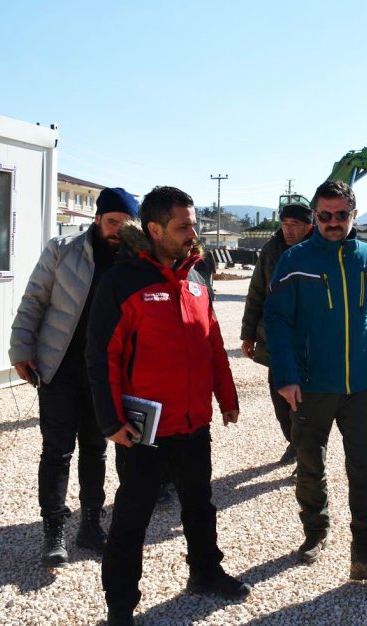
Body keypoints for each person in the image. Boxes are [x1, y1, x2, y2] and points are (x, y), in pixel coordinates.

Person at [85, 186, 249, 625]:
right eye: (183, 226)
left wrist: (227, 397)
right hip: (144, 430)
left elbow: (212, 343)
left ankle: (205, 572)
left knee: (200, 505)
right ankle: (120, 605)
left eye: (193, 224)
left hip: (193, 422)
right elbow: (101, 357)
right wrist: (111, 421)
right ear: (154, 229)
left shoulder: (197, 277)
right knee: (132, 518)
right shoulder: (121, 281)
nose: (193, 233)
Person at [265, 180, 367, 582]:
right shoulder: (294, 261)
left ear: (353, 215)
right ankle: (315, 531)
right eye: (324, 215)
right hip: (311, 385)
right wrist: (286, 376)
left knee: (366, 469)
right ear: (315, 217)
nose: (332, 222)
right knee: (310, 464)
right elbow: (277, 321)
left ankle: (366, 554)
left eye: (341, 215)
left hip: (360, 386)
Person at [9, 187, 138, 567]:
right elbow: (34, 300)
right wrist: (21, 349)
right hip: (59, 366)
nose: (118, 230)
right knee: (57, 450)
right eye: (112, 222)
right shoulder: (62, 250)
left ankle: (91, 525)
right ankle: (54, 531)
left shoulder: (136, 259)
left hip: (105, 373)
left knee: (96, 449)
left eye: (125, 224)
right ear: (97, 219)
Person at [240, 201, 313, 473]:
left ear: (309, 226)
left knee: (305, 406)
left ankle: (307, 460)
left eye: (295, 225)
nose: (288, 230)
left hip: (309, 346)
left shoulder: (319, 250)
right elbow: (256, 292)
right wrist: (248, 334)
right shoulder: (271, 250)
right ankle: (294, 443)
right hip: (276, 343)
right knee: (280, 404)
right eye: (285, 224)